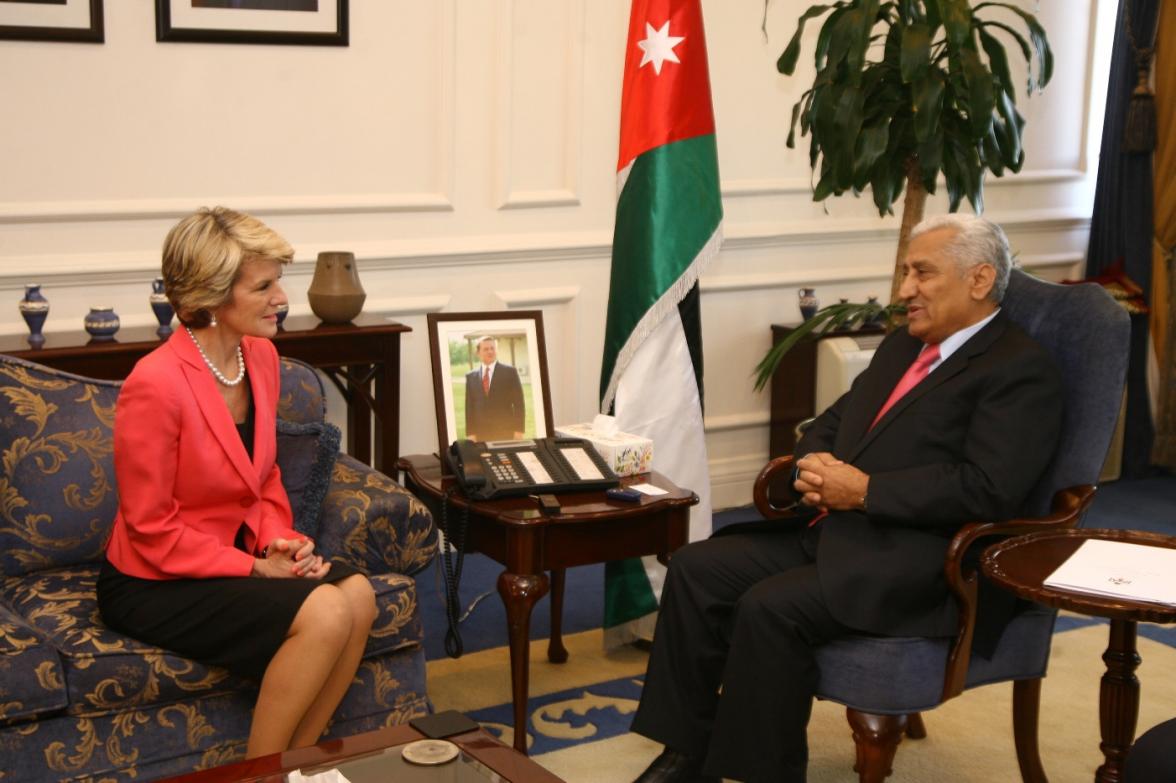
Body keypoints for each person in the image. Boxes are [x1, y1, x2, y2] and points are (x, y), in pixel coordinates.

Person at [629, 214, 1064, 783]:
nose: (904, 289)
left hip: (926, 559)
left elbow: (988, 487)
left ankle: (765, 773)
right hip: (843, 531)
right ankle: (687, 754)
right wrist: (816, 467)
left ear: (979, 280)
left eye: (922, 273)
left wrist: (865, 491)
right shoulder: (903, 348)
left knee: (769, 607)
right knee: (696, 568)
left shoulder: (1019, 370)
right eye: (907, 272)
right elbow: (828, 424)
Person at [97, 207, 377, 759]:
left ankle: (300, 763)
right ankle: (258, 775)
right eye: (265, 285)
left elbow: (263, 476)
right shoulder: (155, 383)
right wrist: (256, 566)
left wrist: (279, 538)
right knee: (325, 610)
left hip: (236, 550)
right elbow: (149, 527)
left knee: (358, 596)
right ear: (213, 296)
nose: (283, 298)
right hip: (155, 578)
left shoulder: (262, 357)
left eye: (279, 281)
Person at [464, 335, 525, 441]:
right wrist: (471, 433)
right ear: (478, 353)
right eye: (486, 349)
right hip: (480, 434)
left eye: (492, 348)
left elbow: (519, 404)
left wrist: (519, 431)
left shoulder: (510, 372)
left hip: (506, 432)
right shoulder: (471, 377)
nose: (490, 351)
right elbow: (469, 408)